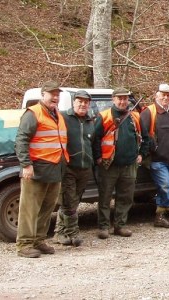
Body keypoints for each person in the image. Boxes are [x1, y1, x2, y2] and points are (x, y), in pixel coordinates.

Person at [15, 80, 69, 258]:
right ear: (43, 95)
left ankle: (38, 240)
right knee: (29, 209)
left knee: (47, 208)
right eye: (52, 94)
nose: (55, 97)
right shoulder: (33, 113)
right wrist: (26, 165)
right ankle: (24, 244)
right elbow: (21, 140)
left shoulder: (57, 114)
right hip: (36, 169)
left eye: (57, 94)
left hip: (54, 169)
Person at [93, 87, 149, 239]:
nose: (123, 101)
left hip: (129, 164)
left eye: (125, 99)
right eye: (120, 98)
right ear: (113, 99)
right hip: (109, 164)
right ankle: (103, 227)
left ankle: (120, 225)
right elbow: (95, 138)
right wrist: (98, 157)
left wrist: (141, 155)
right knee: (105, 197)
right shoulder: (104, 116)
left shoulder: (135, 117)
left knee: (126, 197)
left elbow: (146, 137)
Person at [140, 84, 169, 228]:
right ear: (156, 95)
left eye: (168, 95)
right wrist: (150, 150)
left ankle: (159, 217)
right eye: (163, 95)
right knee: (166, 186)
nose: (166, 97)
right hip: (156, 159)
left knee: (163, 188)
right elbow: (142, 135)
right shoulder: (149, 112)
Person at [54, 90, 94, 246]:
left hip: (85, 168)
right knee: (69, 201)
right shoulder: (63, 117)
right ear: (74, 102)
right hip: (69, 167)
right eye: (80, 101)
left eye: (86, 102)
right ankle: (73, 231)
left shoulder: (91, 121)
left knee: (73, 201)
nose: (83, 104)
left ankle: (59, 232)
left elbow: (93, 142)